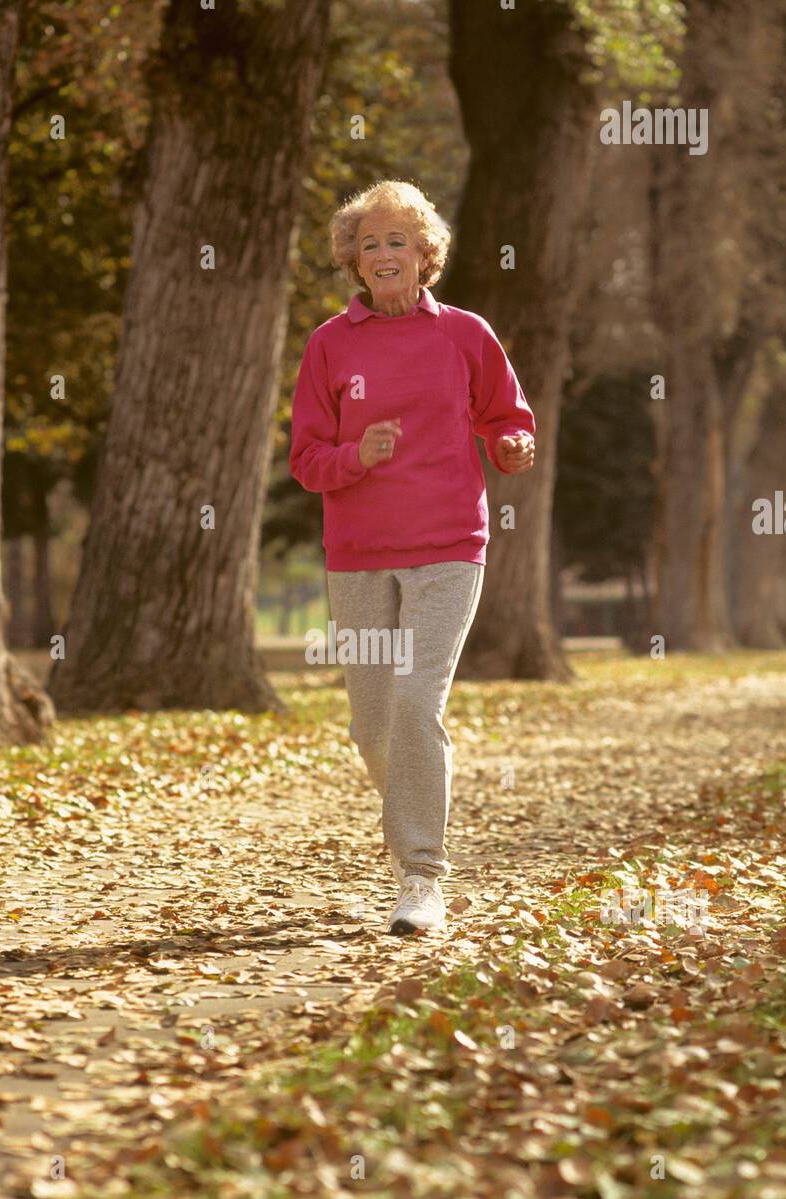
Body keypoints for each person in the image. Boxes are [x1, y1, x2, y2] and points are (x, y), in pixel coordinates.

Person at [289, 180, 535, 935]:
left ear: (425, 255)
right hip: (359, 553)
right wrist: (355, 456)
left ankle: (422, 874)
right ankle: (409, 845)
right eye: (370, 243)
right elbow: (305, 458)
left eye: (399, 241)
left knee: (414, 701)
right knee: (371, 726)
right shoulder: (330, 345)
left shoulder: (465, 333)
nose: (384, 253)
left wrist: (511, 447)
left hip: (447, 547)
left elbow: (505, 418)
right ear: (354, 263)